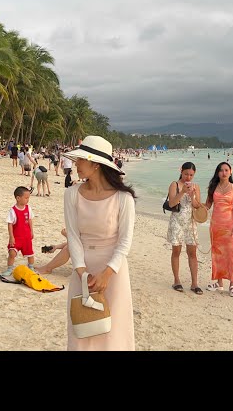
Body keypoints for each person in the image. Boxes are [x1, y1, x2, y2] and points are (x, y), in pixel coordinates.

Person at [62, 135, 136, 351]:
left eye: (80, 160)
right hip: (81, 269)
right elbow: (73, 236)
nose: (76, 165)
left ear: (95, 164)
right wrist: (81, 271)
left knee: (114, 333)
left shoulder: (123, 198)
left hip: (113, 271)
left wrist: (107, 273)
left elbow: (125, 241)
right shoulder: (71, 194)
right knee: (82, 329)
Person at [204, 162, 233, 298]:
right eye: (221, 170)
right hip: (215, 226)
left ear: (231, 172)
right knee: (217, 254)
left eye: (226, 170)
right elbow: (206, 206)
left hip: (230, 226)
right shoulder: (213, 188)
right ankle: (219, 283)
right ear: (217, 173)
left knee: (232, 254)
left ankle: (232, 285)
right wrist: (192, 198)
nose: (224, 173)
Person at [166, 162, 203, 295]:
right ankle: (176, 280)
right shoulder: (174, 185)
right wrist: (182, 192)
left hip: (191, 223)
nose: (188, 177)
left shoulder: (196, 186)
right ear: (181, 171)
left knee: (192, 253)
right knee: (176, 251)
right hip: (177, 221)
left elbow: (197, 205)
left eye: (191, 175)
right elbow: (171, 203)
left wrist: (192, 194)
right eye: (186, 174)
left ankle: (194, 283)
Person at [2, 186, 35, 276]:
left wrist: (32, 231)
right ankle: (9, 268)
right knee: (12, 253)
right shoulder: (13, 210)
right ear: (18, 198)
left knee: (30, 253)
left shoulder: (28, 208)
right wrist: (11, 237)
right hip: (16, 237)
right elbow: (10, 224)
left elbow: (30, 220)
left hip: (27, 237)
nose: (28, 200)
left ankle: (31, 267)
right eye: (26, 198)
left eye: (28, 198)